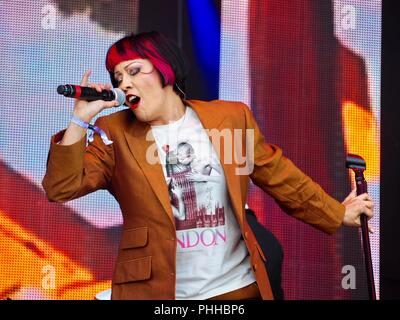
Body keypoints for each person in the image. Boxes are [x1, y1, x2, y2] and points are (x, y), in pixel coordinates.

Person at [42, 31, 374, 300]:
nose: (124, 83)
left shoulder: (229, 118)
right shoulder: (115, 131)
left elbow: (278, 175)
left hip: (234, 289)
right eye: (117, 76)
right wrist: (80, 121)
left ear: (164, 69)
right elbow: (62, 187)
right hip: (156, 291)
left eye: (134, 71)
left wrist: (335, 212)